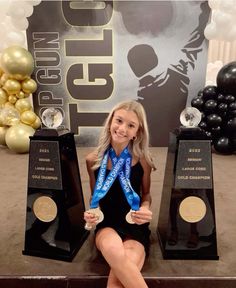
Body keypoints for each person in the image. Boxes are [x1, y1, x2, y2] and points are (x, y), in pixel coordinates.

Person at [84, 100, 156, 288]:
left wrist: (145, 208)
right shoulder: (93, 160)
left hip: (135, 225)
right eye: (119, 121)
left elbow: (146, 194)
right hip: (107, 223)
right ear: (110, 123)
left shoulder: (144, 161)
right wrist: (91, 213)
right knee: (114, 251)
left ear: (137, 133)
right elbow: (95, 199)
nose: (122, 128)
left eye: (131, 125)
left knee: (118, 279)